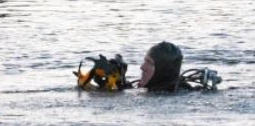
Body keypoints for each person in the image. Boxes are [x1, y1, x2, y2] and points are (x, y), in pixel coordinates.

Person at [75, 42, 221, 92]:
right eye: (144, 61)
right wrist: (117, 82)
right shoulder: (148, 89)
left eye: (150, 63)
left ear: (163, 70)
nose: (142, 67)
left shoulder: (174, 94)